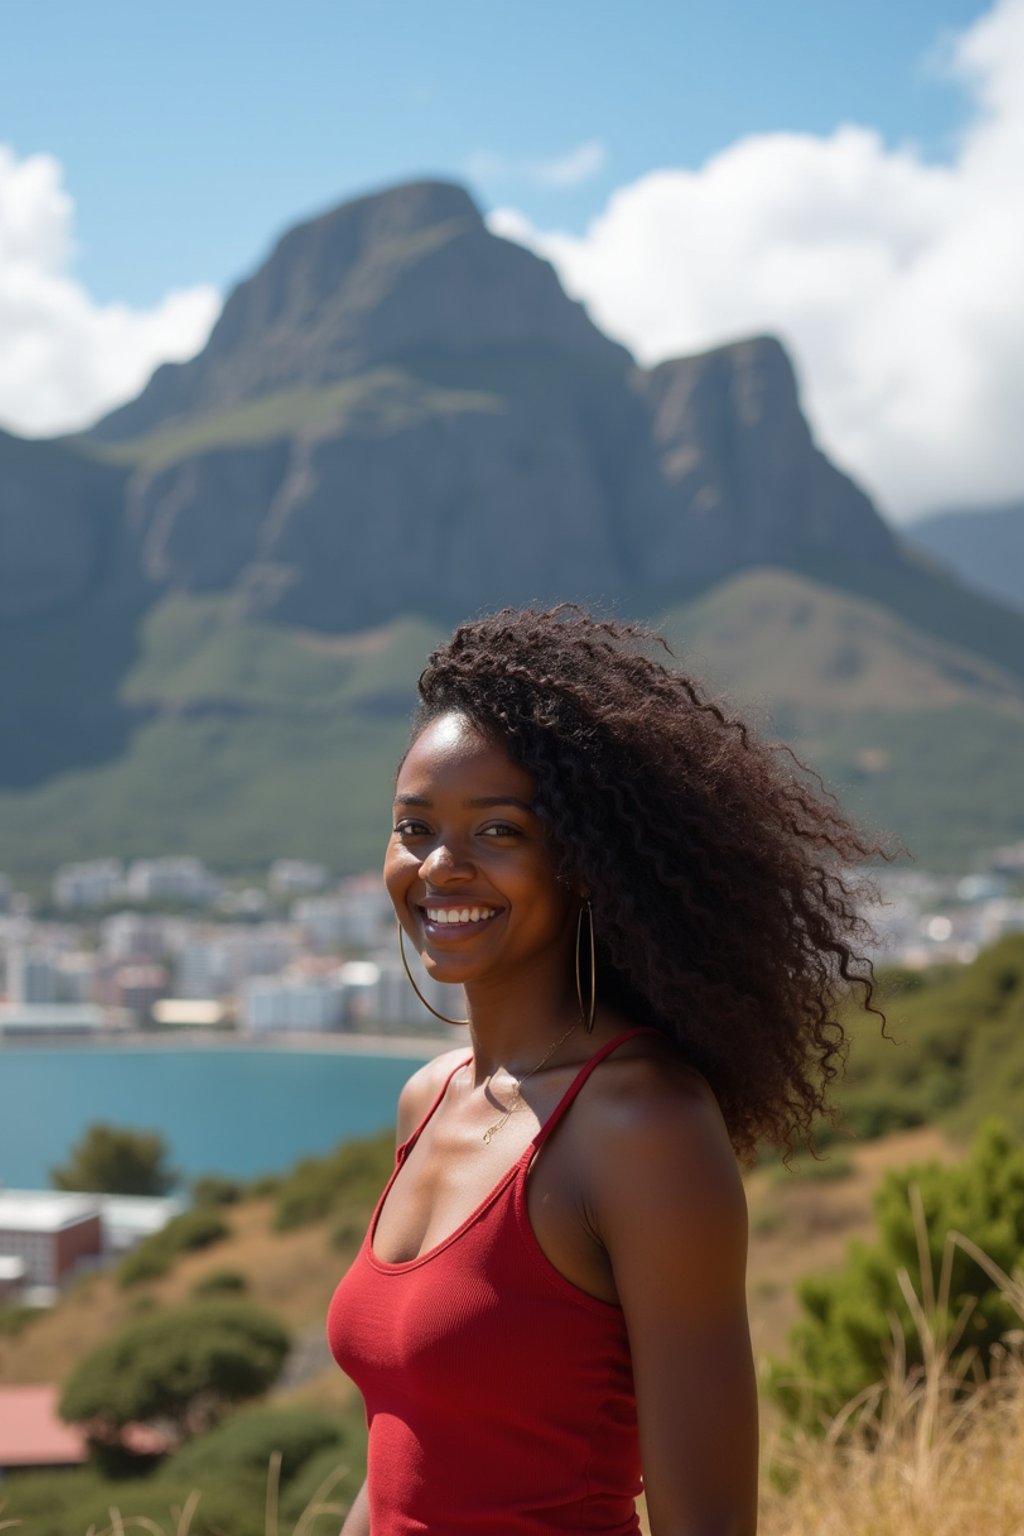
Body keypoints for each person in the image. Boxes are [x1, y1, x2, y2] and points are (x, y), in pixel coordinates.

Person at [327, 605, 879, 1535]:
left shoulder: (639, 1125)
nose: (440, 866)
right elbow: (402, 1461)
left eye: (497, 831)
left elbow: (707, 1521)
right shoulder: (427, 1100)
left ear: (585, 863)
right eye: (414, 828)